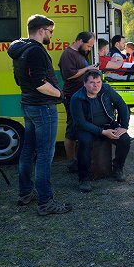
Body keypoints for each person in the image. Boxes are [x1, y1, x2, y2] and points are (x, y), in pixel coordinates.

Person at [7, 14, 71, 216]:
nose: (51, 35)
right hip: (43, 107)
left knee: (28, 150)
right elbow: (39, 83)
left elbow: (21, 79)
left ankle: (26, 192)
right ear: (42, 30)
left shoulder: (20, 48)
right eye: (51, 32)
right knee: (45, 155)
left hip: (28, 104)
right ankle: (45, 202)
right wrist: (60, 94)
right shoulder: (35, 51)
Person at [69, 70, 132, 192]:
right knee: (85, 143)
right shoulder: (77, 98)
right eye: (92, 82)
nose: (96, 85)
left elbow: (122, 105)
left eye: (98, 82)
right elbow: (80, 123)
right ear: (84, 84)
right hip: (86, 128)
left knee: (125, 139)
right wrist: (102, 132)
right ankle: (84, 178)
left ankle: (118, 168)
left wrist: (124, 126)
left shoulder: (106, 89)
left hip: (107, 124)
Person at [58, 32, 97, 173]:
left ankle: (81, 159)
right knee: (72, 128)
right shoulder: (68, 54)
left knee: (82, 127)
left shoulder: (81, 53)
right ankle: (70, 161)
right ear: (80, 41)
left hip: (82, 96)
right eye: (88, 45)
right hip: (72, 97)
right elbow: (68, 75)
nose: (89, 49)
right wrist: (88, 68)